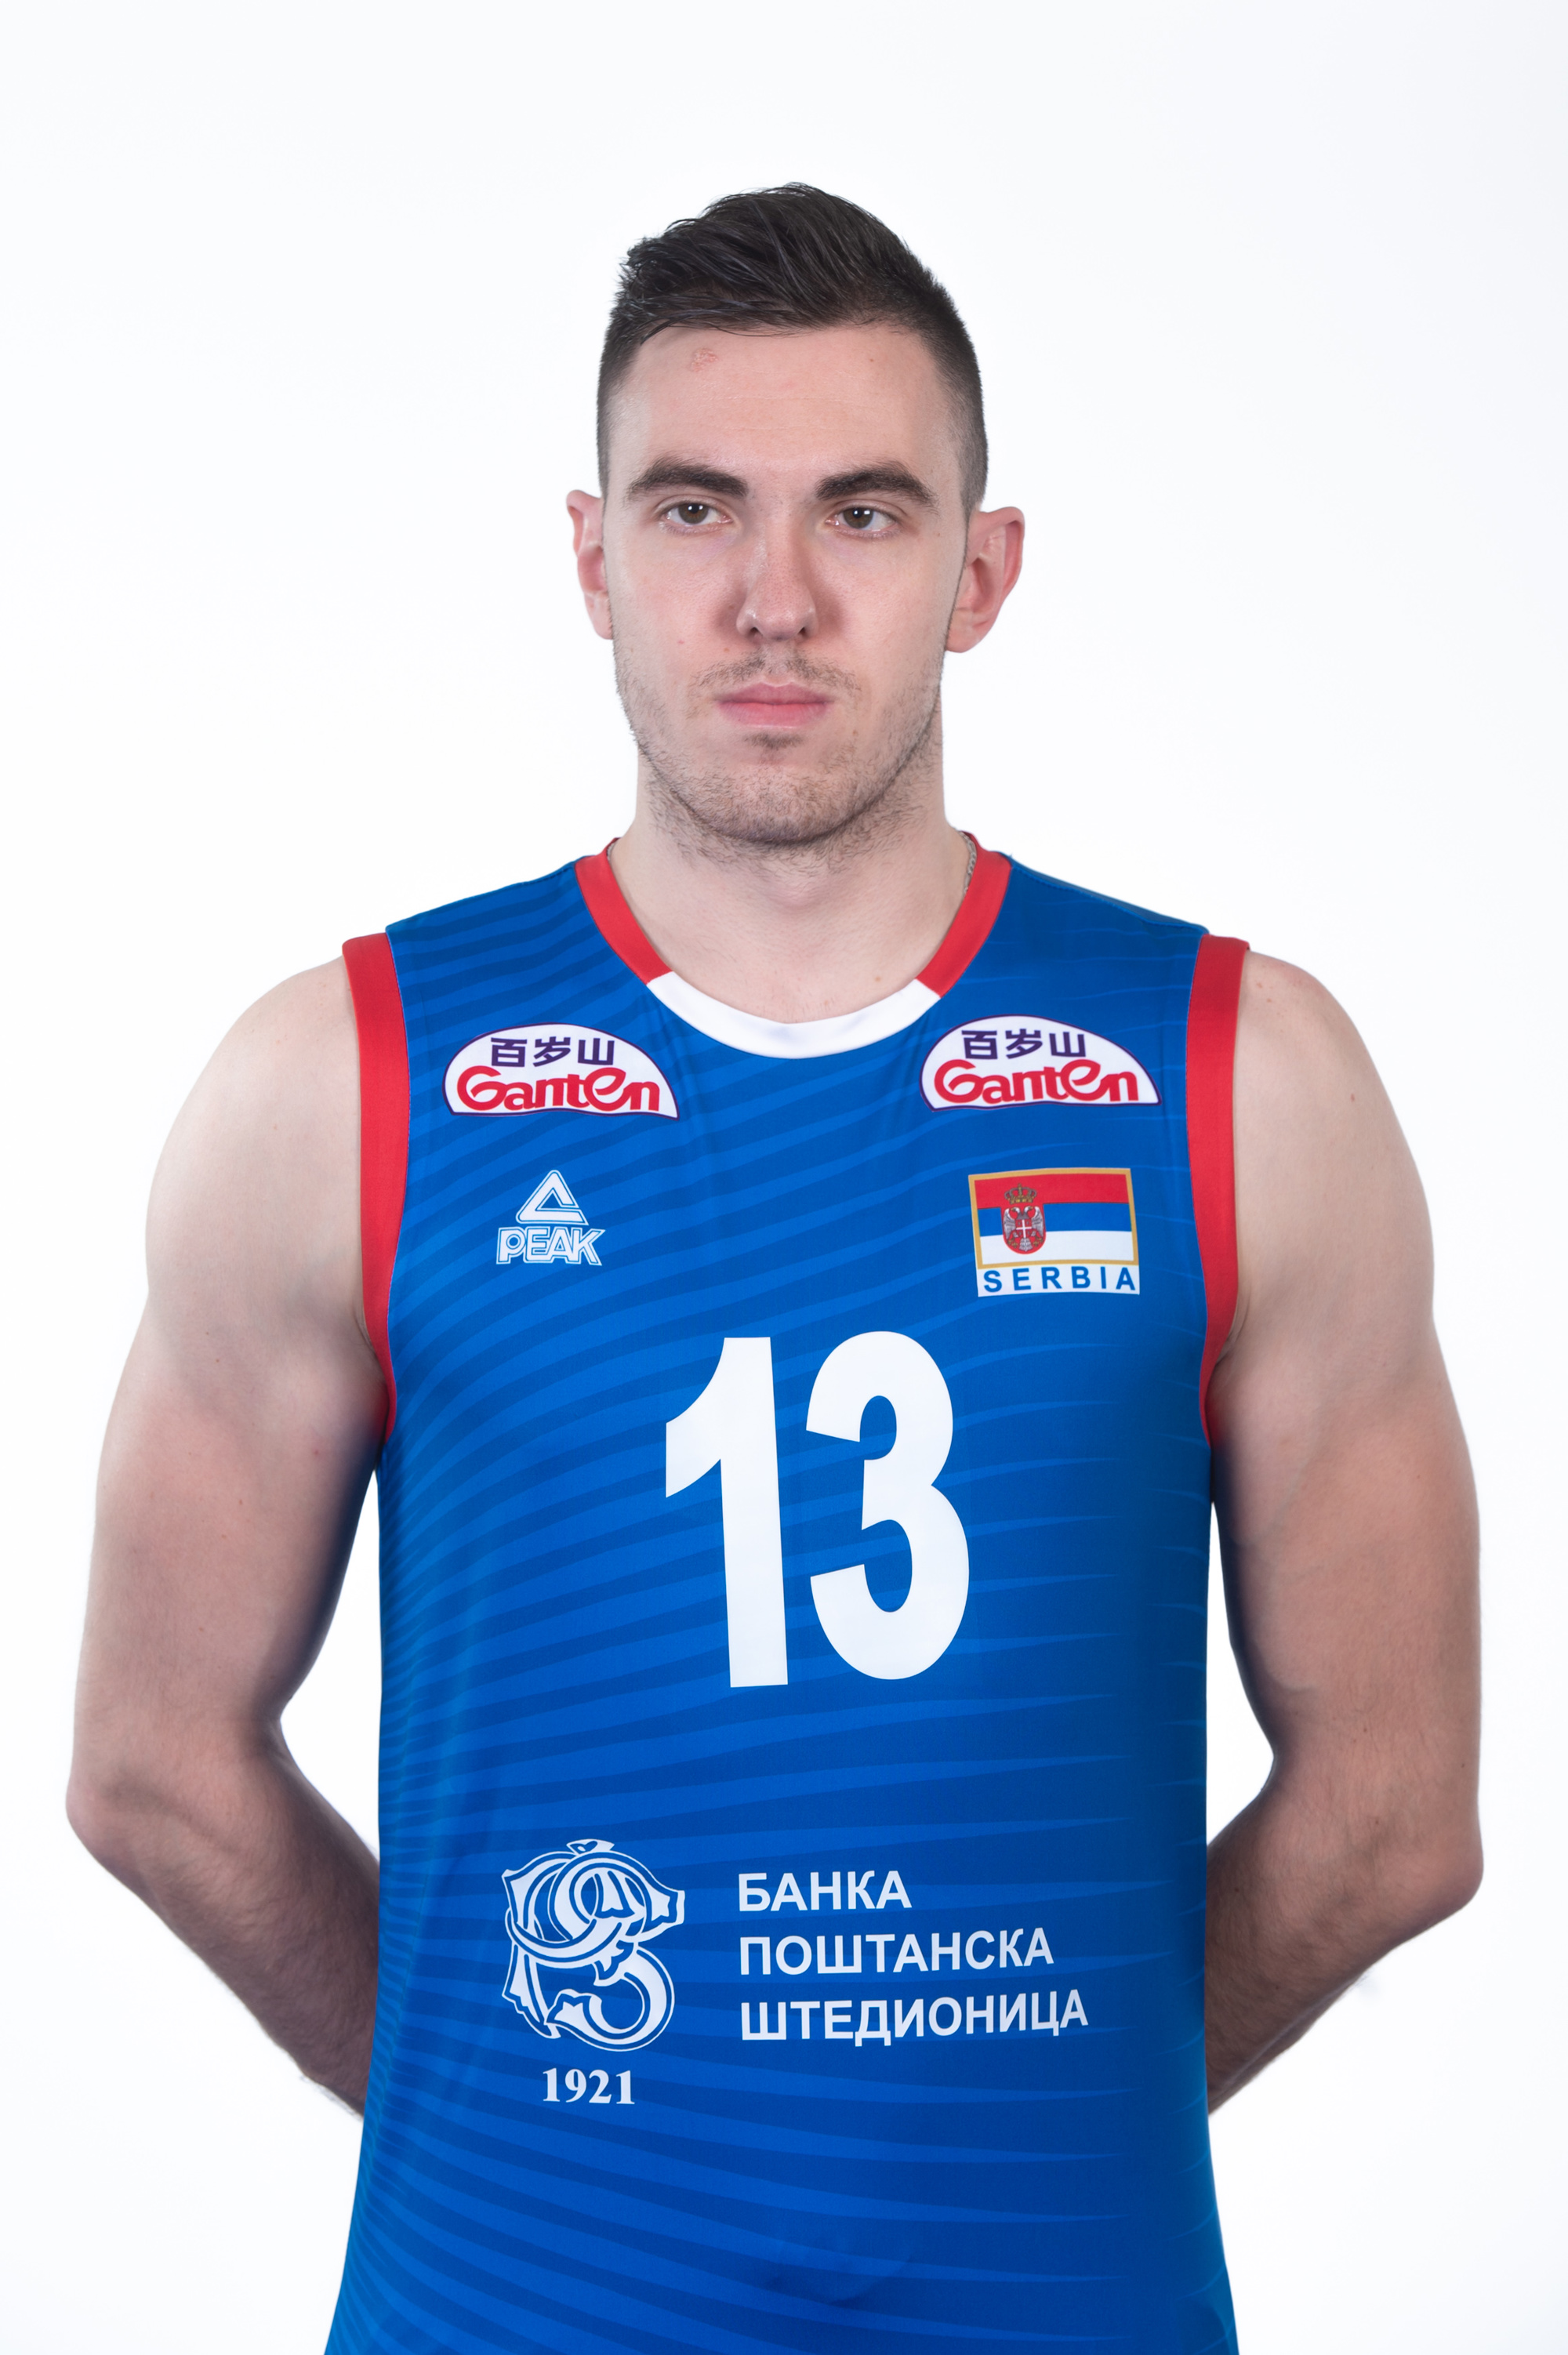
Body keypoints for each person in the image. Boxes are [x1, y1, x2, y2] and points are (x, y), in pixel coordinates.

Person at [69, 186, 1481, 2353]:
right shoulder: (342, 1084)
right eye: (696, 507)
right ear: (592, 558)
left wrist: (1034, 2115)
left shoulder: (1239, 1079)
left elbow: (1395, 1811)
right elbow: (155, 1760)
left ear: (982, 572)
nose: (774, 598)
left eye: (866, 512)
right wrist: (512, 2119)